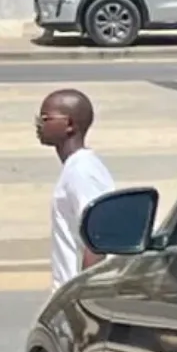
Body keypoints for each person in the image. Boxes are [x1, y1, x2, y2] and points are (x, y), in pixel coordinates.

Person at [35, 89, 115, 290]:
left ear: (69, 124)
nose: (39, 125)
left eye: (45, 118)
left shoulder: (82, 172)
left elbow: (97, 240)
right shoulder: (78, 167)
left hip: (75, 297)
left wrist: (82, 297)